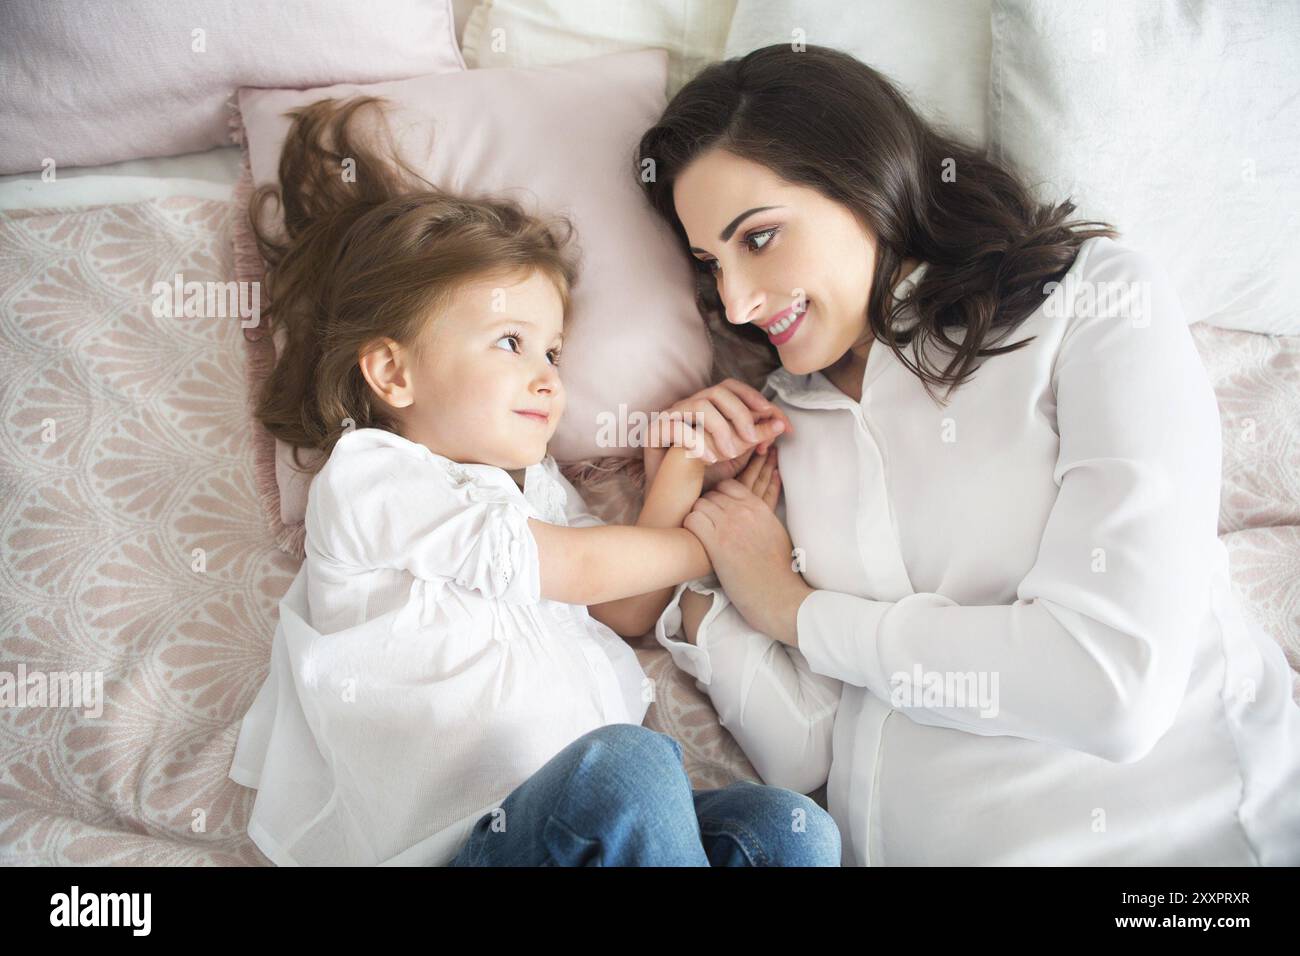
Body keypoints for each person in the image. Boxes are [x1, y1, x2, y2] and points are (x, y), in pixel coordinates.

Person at [634, 44, 1300, 865]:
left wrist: (794, 608)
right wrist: (714, 572)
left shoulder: (1088, 307)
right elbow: (811, 752)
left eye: (760, 239)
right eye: (711, 264)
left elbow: (1111, 689)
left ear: (865, 181)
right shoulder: (784, 425)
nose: (736, 301)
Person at [227, 95, 841, 867]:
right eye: (511, 342)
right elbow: (578, 567)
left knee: (787, 827)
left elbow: (623, 605)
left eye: (553, 354)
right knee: (630, 765)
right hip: (461, 847)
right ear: (392, 371)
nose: (548, 379)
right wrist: (716, 543)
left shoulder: (537, 488)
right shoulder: (371, 478)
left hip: (588, 830)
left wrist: (680, 460)